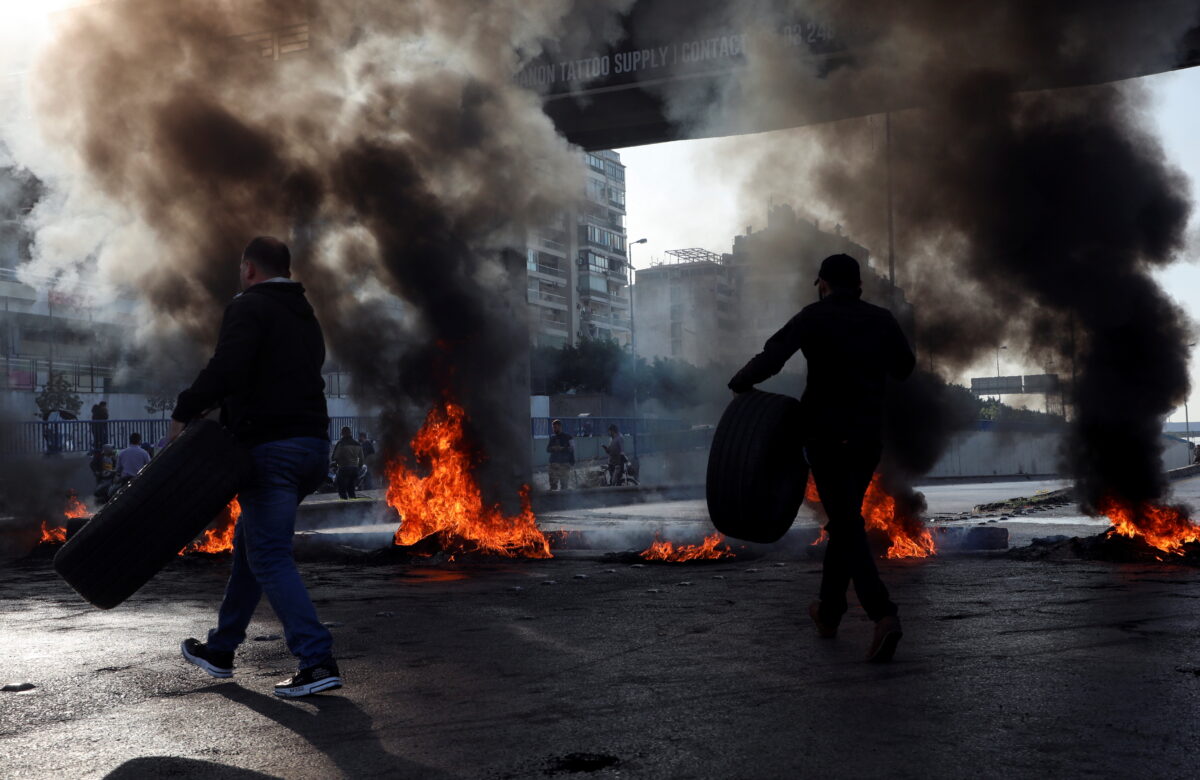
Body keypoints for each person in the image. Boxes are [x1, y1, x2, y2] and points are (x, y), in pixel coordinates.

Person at [172, 236, 340, 698]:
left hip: (272, 451)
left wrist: (185, 409)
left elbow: (226, 368)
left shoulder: (249, 305)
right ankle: (221, 649)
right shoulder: (306, 317)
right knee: (251, 552)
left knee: (268, 556)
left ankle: (316, 659)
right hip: (311, 447)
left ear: (249, 268)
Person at [728, 253, 915, 663]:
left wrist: (740, 382)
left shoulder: (813, 316)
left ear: (823, 284)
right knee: (845, 520)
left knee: (845, 522)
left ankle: (883, 614)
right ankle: (829, 612)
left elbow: (773, 357)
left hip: (826, 437)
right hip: (866, 437)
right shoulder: (881, 319)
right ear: (859, 285)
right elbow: (905, 367)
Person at [332, 426, 364, 500]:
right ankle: (353, 505)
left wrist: (337, 464)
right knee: (351, 489)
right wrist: (358, 468)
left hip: (343, 468)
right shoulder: (357, 444)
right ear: (350, 433)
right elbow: (362, 459)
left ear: (342, 434)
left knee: (342, 489)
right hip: (354, 469)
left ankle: (344, 504)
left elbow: (334, 457)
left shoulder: (340, 443)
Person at [546, 419, 575, 490]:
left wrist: (562, 449)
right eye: (553, 428)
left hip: (564, 464)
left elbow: (572, 449)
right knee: (553, 485)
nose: (554, 429)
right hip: (553, 463)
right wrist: (553, 448)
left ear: (560, 427)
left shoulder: (568, 437)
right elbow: (548, 449)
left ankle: (563, 497)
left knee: (564, 486)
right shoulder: (552, 438)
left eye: (555, 427)